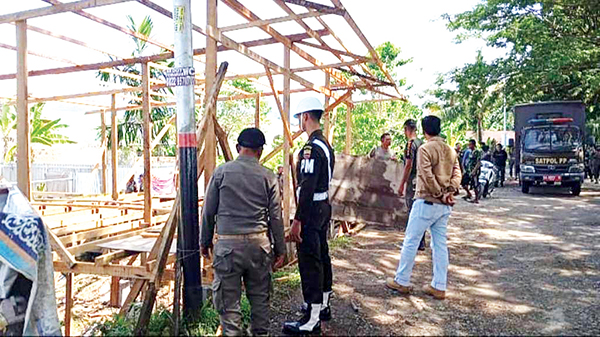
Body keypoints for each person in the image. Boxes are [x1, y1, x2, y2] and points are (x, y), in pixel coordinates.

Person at [200, 128, 286, 336]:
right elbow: (276, 217)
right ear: (260, 151)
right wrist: (281, 249)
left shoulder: (221, 172)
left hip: (228, 248)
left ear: (239, 148)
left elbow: (208, 211)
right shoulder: (269, 176)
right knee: (260, 300)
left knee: (229, 307)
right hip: (259, 247)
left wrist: (204, 241)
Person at [385, 115, 461, 300]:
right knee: (440, 244)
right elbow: (457, 172)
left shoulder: (425, 149)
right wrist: (450, 191)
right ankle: (439, 286)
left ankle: (402, 281)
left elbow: (426, 175)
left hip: (426, 201)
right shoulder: (450, 150)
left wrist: (439, 193)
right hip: (443, 206)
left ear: (425, 130)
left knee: (411, 240)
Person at [284, 97, 335, 335]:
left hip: (312, 211)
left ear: (305, 117)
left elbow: (307, 188)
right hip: (323, 206)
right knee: (322, 255)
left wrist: (297, 221)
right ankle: (323, 305)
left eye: (299, 118)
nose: (299, 123)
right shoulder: (325, 144)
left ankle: (311, 320)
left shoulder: (310, 149)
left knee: (310, 262)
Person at [397, 119, 426, 251]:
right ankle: (421, 241)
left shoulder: (410, 144)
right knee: (420, 210)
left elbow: (408, 164)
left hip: (413, 180)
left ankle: (413, 241)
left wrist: (402, 183)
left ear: (406, 129)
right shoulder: (422, 143)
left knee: (412, 211)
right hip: (422, 180)